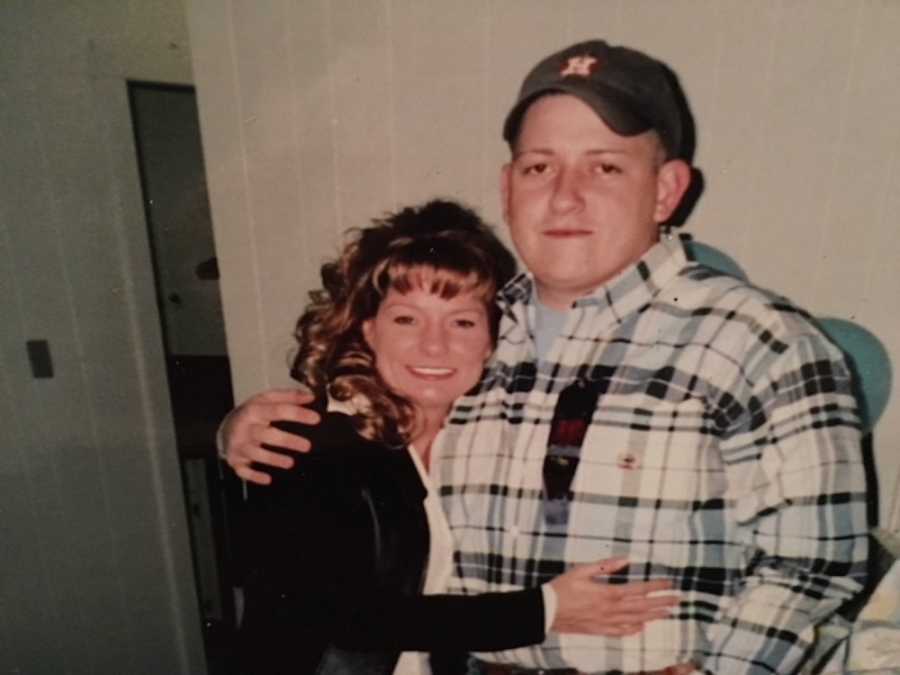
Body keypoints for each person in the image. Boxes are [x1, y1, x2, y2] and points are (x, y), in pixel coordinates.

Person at [224, 41, 869, 674]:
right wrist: (246, 427)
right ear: (507, 188)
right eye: (539, 166)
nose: (564, 196)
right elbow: (365, 433)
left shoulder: (763, 343)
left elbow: (815, 567)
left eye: (605, 166)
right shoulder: (471, 330)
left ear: (667, 190)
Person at [236, 199, 680, 675]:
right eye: (406, 319)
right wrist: (544, 610)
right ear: (369, 330)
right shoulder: (308, 443)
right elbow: (348, 616)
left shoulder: (479, 438)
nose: (434, 344)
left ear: (491, 339)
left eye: (462, 322)